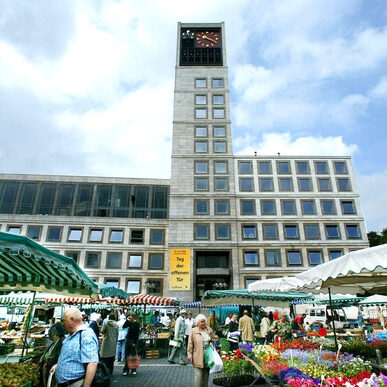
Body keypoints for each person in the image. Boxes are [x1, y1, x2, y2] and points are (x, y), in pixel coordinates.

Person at [54, 308, 99, 387]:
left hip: (76, 383)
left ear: (71, 320)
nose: (62, 324)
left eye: (63, 321)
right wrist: (58, 366)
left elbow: (92, 363)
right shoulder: (70, 335)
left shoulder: (86, 334)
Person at [187, 314, 215, 387]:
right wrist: (189, 354)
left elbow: (213, 339)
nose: (203, 323)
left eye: (204, 322)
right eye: (201, 322)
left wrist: (215, 341)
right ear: (197, 323)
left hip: (208, 356)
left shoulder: (209, 329)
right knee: (198, 375)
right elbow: (190, 343)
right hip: (198, 355)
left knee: (206, 375)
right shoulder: (193, 331)